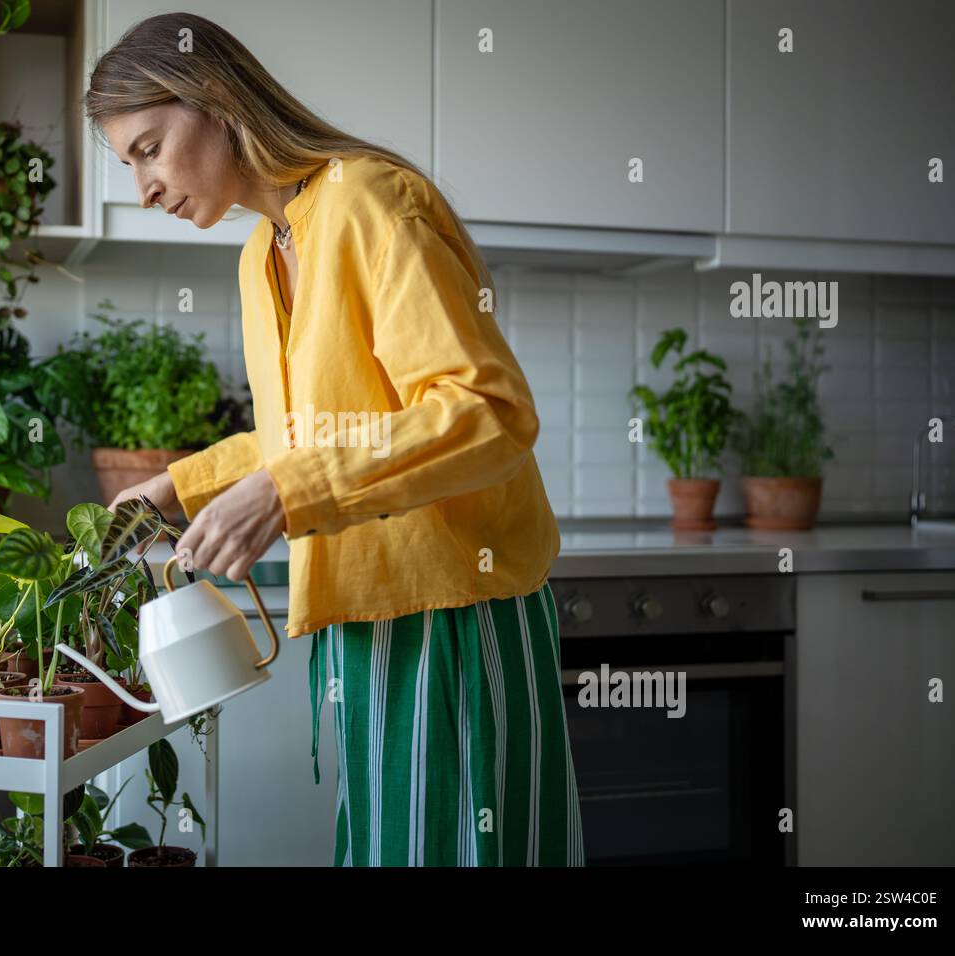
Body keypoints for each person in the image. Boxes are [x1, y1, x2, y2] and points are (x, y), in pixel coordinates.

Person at [85, 12, 583, 867]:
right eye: (129, 163)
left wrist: (288, 492)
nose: (145, 189)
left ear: (213, 100)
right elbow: (310, 431)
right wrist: (180, 486)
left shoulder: (368, 199)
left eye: (148, 149)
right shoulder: (260, 253)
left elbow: (485, 411)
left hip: (455, 606)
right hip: (360, 614)